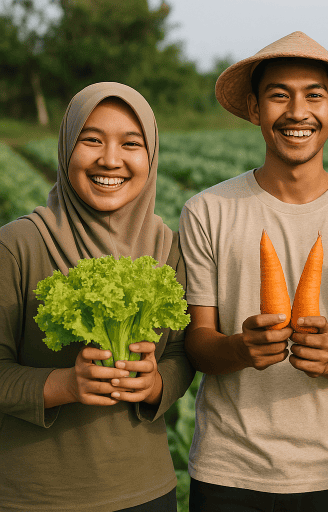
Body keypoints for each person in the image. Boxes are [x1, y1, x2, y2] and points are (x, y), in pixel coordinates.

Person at [179, 31, 328, 512]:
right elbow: (197, 342)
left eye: (313, 96)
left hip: (327, 468)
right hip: (226, 466)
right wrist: (237, 348)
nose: (297, 111)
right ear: (255, 109)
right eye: (279, 95)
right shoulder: (207, 210)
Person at [0, 82, 194, 511]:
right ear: (67, 147)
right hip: (35, 498)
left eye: (131, 143)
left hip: (148, 490)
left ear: (151, 156)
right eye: (91, 140)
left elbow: (182, 353)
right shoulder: (18, 245)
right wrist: (63, 385)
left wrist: (157, 381)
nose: (110, 159)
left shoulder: (170, 249)